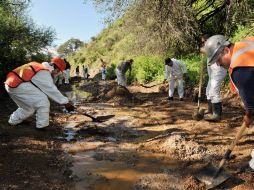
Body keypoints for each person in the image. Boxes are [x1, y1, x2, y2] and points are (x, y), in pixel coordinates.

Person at [203, 35, 254, 170]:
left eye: (218, 60)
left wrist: (248, 116)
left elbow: (252, 107)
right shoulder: (247, 42)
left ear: (226, 50)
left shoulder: (240, 69)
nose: (218, 64)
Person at [4, 57, 75, 129]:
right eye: (58, 71)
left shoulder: (37, 66)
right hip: (18, 86)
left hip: (10, 85)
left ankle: (13, 121)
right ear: (56, 69)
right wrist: (66, 103)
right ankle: (42, 126)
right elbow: (51, 90)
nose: (57, 73)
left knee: (28, 108)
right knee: (43, 101)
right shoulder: (43, 72)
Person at [201, 34, 227, 122]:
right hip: (212, 74)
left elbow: (208, 51)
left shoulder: (214, 45)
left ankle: (217, 115)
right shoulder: (209, 47)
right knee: (208, 91)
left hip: (218, 71)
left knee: (213, 91)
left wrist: (202, 50)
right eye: (203, 42)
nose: (204, 43)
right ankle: (210, 109)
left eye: (204, 41)